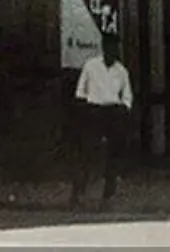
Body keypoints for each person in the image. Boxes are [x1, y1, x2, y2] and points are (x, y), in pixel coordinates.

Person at [69, 34, 134, 209]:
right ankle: (78, 193)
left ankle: (108, 195)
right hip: (94, 111)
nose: (112, 52)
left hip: (113, 112)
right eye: (109, 48)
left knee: (114, 153)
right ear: (103, 48)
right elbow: (80, 92)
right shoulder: (91, 66)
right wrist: (84, 112)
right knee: (87, 152)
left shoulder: (121, 71)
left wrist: (123, 110)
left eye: (115, 49)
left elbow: (127, 97)